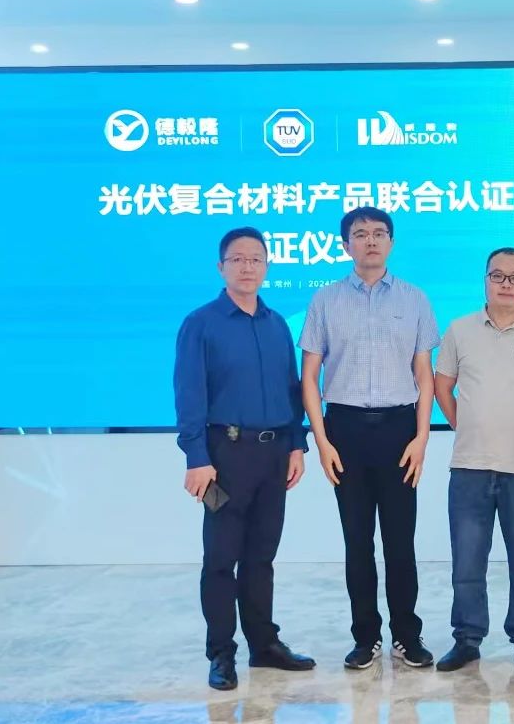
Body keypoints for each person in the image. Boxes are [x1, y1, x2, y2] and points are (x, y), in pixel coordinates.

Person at [174, 226, 314, 691]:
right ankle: (221, 653)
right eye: (237, 259)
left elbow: (291, 388)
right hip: (223, 458)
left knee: (261, 557)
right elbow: (189, 394)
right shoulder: (201, 323)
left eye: (256, 259)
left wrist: (296, 444)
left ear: (267, 266)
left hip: (274, 456)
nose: (247, 267)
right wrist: (196, 457)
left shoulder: (276, 324)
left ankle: (264, 645)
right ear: (221, 267)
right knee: (220, 557)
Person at [299, 206, 439, 670]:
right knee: (357, 541)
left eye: (379, 233)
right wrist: (322, 441)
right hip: (345, 431)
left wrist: (422, 437)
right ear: (346, 245)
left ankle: (407, 636)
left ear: (391, 242)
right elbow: (310, 376)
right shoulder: (325, 300)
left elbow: (424, 375)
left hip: (400, 431)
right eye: (360, 234)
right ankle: (366, 638)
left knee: (400, 542)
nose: (371, 240)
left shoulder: (415, 299)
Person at [433, 247, 514, 674]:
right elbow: (443, 386)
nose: (506, 284)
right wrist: (462, 423)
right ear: (485, 280)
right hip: (470, 467)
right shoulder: (459, 330)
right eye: (497, 275)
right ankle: (467, 639)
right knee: (467, 563)